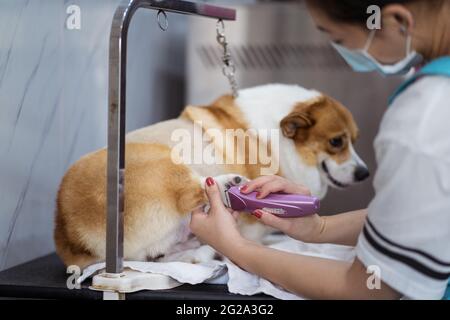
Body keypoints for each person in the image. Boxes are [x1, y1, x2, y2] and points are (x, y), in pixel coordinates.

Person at [190, 0, 450, 299]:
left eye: (337, 39)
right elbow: (421, 214)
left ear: (395, 21)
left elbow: (369, 290)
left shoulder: (428, 112)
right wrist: (320, 229)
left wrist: (236, 248)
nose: (339, 49)